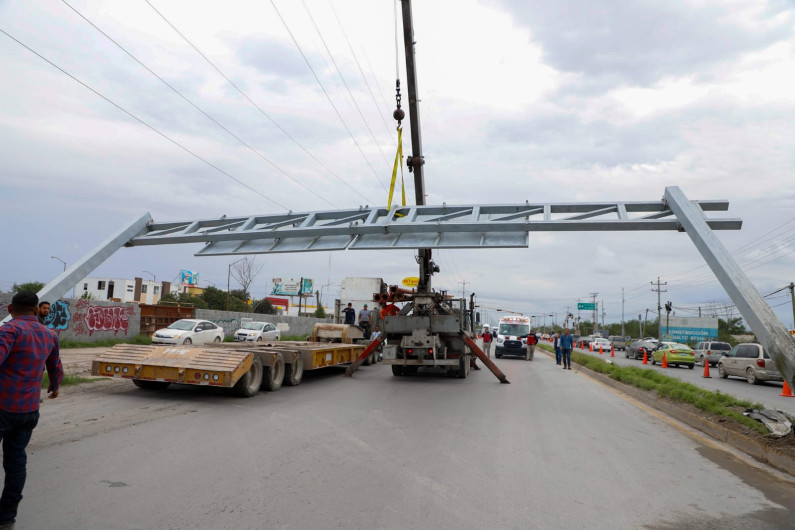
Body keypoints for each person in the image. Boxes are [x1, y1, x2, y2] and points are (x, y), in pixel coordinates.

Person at [0, 291, 63, 527]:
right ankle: (7, 518)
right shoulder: (49, 334)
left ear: (10, 309)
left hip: (3, 407)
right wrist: (55, 386)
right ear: (37, 310)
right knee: (16, 462)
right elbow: (55, 366)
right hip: (28, 411)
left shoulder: (9, 331)